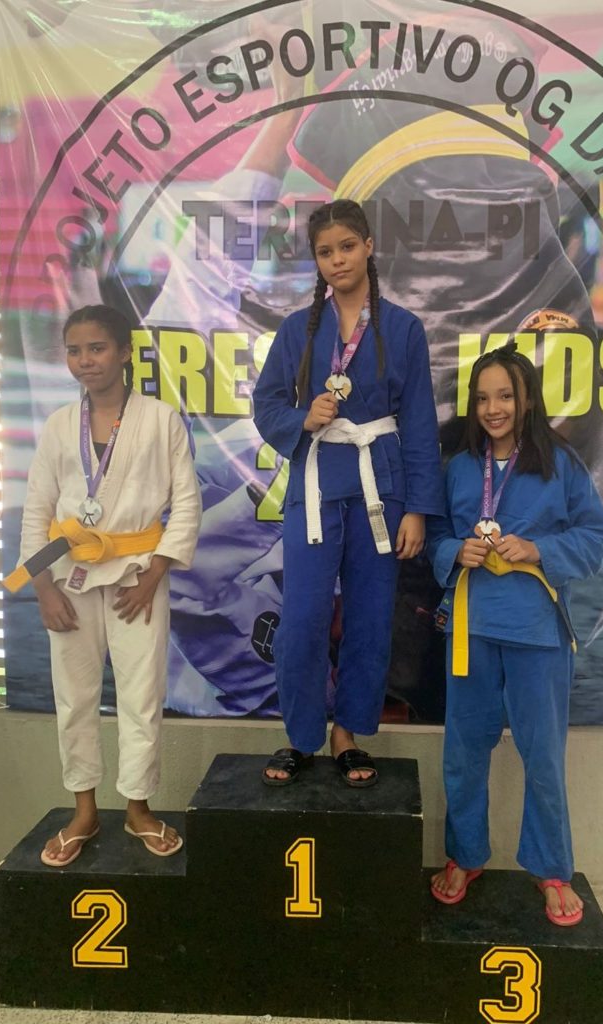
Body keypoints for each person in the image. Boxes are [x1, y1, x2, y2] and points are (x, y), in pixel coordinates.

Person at [252, 199, 443, 787]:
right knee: (303, 617)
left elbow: (420, 424)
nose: (337, 259)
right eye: (325, 252)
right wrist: (302, 418)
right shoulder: (298, 330)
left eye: (347, 246)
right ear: (316, 261)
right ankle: (301, 735)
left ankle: (348, 733)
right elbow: (266, 404)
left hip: (379, 489)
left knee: (370, 617)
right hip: (315, 486)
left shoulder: (403, 329)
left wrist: (418, 509)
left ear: (368, 247)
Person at [426, 343, 603, 923]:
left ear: (527, 399)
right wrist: (454, 551)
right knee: (463, 753)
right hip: (471, 631)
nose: (494, 408)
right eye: (483, 398)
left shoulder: (560, 464)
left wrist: (539, 549)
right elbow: (435, 536)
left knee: (543, 758)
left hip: (537, 634)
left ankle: (552, 868)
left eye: (505, 396)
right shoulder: (460, 467)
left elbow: (599, 537)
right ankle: (464, 855)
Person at [7, 304, 201, 865]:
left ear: (123, 353)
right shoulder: (58, 425)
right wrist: (43, 588)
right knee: (74, 696)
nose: (85, 360)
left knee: (141, 695)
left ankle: (138, 808)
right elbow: (37, 509)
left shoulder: (160, 419)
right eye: (74, 351)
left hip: (138, 574)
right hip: (68, 577)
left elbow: (186, 503)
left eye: (96, 348)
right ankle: (84, 810)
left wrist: (154, 575)